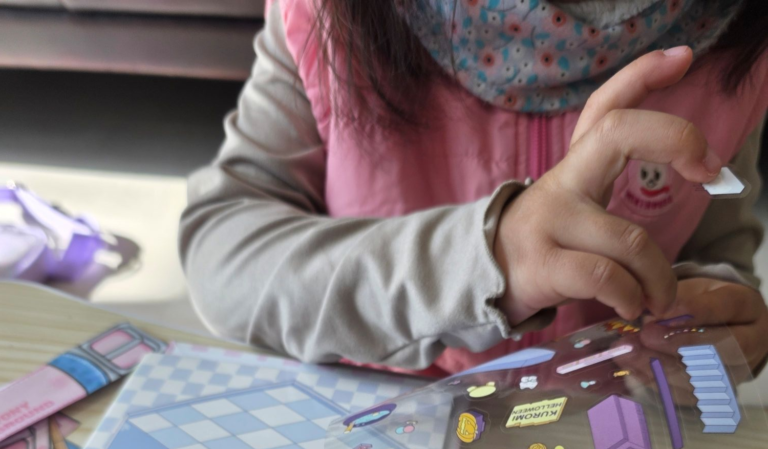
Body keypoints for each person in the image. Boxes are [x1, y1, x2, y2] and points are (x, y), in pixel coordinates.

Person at [180, 0, 768, 377]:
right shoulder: (323, 15)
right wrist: (489, 261)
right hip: (388, 419)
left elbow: (720, 249)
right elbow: (223, 259)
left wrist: (728, 318)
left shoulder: (739, 40)